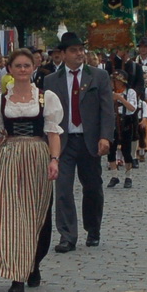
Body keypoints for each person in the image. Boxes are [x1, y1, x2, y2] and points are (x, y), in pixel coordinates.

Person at [0, 48, 64, 292]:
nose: (22, 70)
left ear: (33, 68)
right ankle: (16, 274)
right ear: (9, 69)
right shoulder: (0, 100)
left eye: (26, 66)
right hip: (10, 157)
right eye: (17, 66)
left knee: (37, 215)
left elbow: (53, 133)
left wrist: (54, 160)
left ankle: (33, 264)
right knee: (10, 217)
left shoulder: (45, 97)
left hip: (37, 156)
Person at [42, 32, 114, 253]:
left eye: (81, 49)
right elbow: (46, 114)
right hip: (63, 141)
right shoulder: (50, 80)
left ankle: (93, 229)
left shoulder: (98, 76)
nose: (79, 54)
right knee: (62, 188)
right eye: (73, 50)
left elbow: (107, 110)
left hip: (89, 139)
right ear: (62, 54)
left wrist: (105, 136)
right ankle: (67, 235)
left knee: (92, 187)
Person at [107, 72, 140, 189]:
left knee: (127, 151)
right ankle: (114, 175)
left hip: (125, 122)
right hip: (112, 123)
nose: (113, 83)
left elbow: (132, 108)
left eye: (115, 81)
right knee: (111, 150)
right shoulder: (109, 92)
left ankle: (128, 176)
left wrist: (120, 98)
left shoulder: (130, 92)